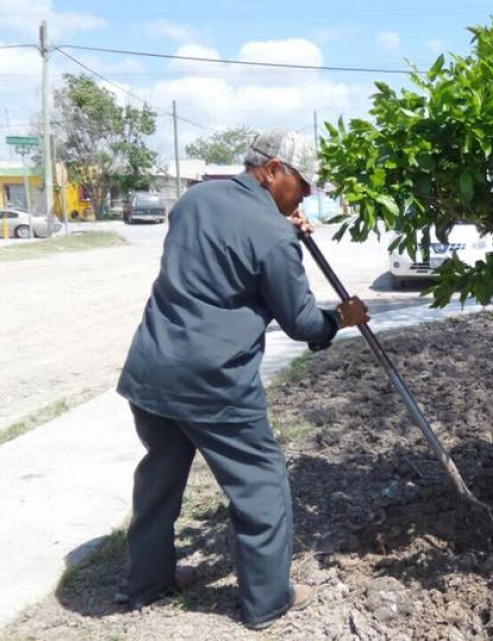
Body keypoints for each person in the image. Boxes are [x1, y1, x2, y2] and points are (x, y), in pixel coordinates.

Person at [115, 128, 370, 630]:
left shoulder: (195, 199)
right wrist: (343, 318)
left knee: (159, 480)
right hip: (214, 382)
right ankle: (268, 601)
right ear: (273, 170)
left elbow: (225, 246)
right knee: (262, 485)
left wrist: (282, 228)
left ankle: (147, 583)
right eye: (303, 184)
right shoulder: (274, 236)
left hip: (152, 368)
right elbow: (302, 324)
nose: (307, 196)